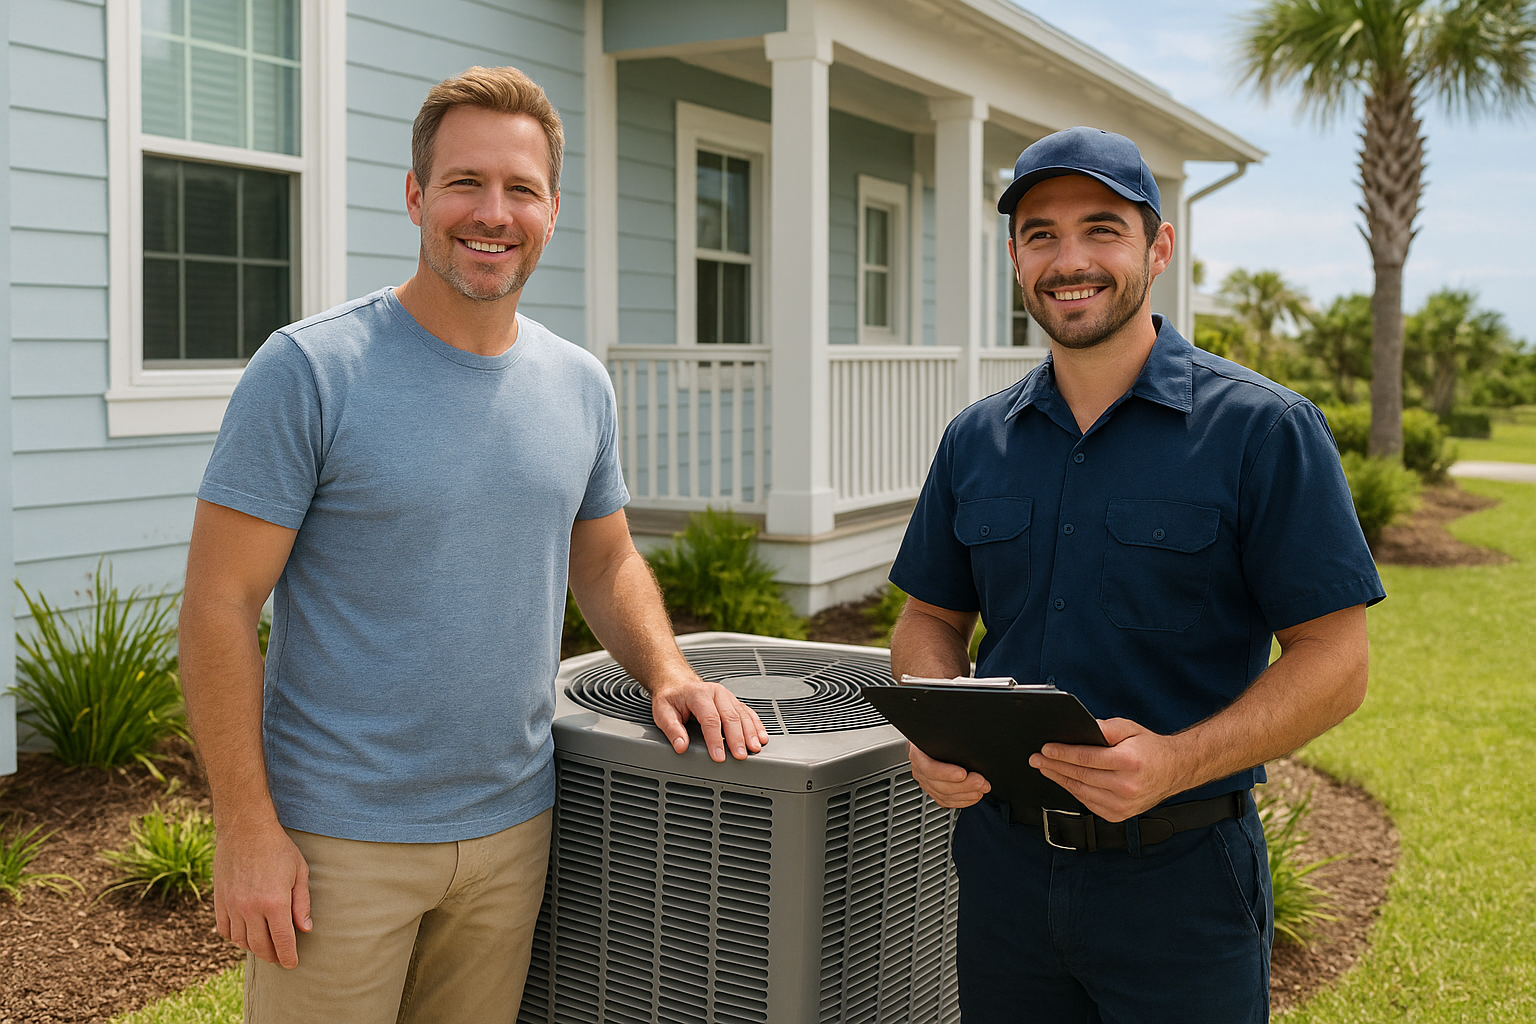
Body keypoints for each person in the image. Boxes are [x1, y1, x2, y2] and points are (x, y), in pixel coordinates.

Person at [177, 65, 770, 1024]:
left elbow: (607, 558)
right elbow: (218, 603)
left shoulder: (580, 385)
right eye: (465, 183)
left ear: (551, 209)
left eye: (520, 189)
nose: (492, 213)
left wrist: (668, 671)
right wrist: (246, 827)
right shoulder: (310, 370)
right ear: (416, 196)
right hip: (337, 843)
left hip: (513, 830)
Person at [888, 126, 1385, 1023]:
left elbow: (1337, 662)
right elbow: (930, 620)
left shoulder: (1264, 431)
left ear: (1158, 249)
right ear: (1014, 257)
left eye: (1101, 228)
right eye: (1040, 233)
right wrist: (936, 726)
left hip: (1181, 886)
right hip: (1004, 876)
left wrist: (1175, 762)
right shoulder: (975, 439)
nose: (1068, 259)